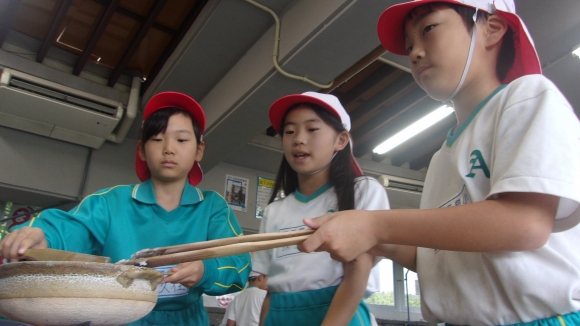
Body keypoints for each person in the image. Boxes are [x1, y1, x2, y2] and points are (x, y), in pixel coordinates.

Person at [298, 1, 580, 325]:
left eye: (428, 29)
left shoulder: (527, 96)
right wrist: (377, 239)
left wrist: (375, 224)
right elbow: (439, 257)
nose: (415, 52)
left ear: (492, 29)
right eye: (408, 44)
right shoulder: (441, 157)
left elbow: (525, 223)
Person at [0, 91, 251, 326]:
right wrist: (40, 235)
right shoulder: (111, 202)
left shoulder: (212, 207)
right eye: (157, 139)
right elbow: (69, 229)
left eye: (182, 139)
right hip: (118, 316)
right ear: (141, 149)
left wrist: (205, 270)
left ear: (199, 150)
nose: (169, 149)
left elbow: (238, 262)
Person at [253, 92, 389, 326]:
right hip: (280, 315)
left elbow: (358, 272)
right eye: (289, 131)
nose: (298, 139)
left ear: (341, 140)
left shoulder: (364, 191)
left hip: (339, 314)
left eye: (312, 129)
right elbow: (270, 289)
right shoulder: (274, 211)